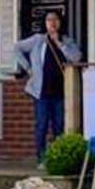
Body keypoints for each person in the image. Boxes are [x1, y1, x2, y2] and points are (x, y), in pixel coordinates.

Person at [13, 9, 82, 160]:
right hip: (41, 91)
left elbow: (76, 58)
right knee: (42, 124)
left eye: (55, 19)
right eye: (49, 20)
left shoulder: (67, 41)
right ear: (45, 23)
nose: (52, 23)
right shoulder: (38, 40)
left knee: (59, 125)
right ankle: (41, 157)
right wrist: (28, 68)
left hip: (61, 90)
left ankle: (57, 156)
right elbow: (17, 48)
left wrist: (59, 43)